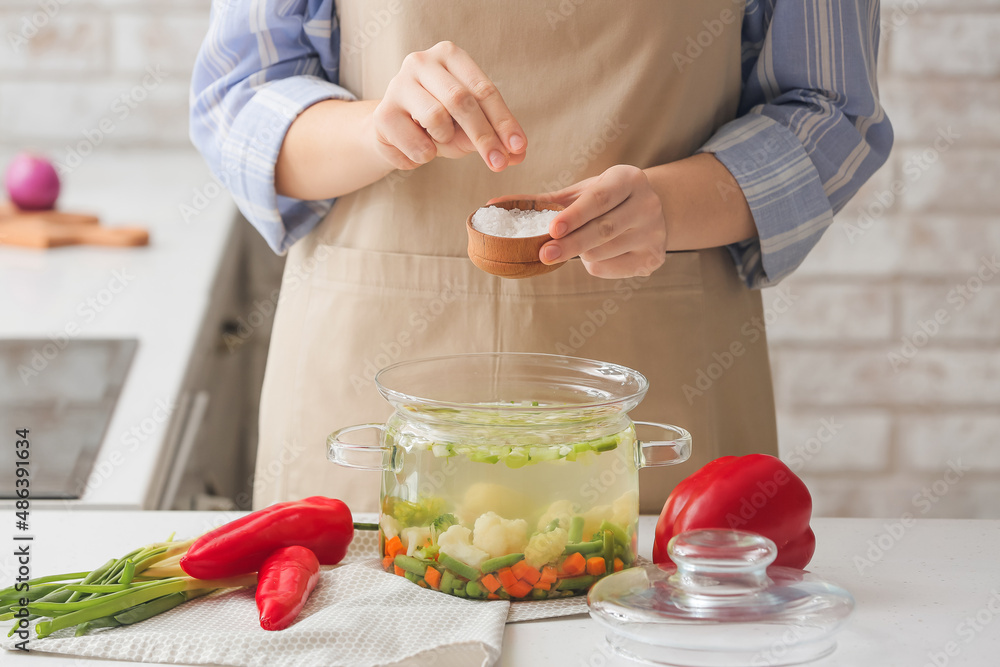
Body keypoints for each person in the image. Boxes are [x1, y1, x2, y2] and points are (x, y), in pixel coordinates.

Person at [190, 0, 892, 514]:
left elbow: (830, 110)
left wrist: (667, 206)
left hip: (658, 392)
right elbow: (240, 96)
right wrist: (375, 131)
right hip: (369, 390)